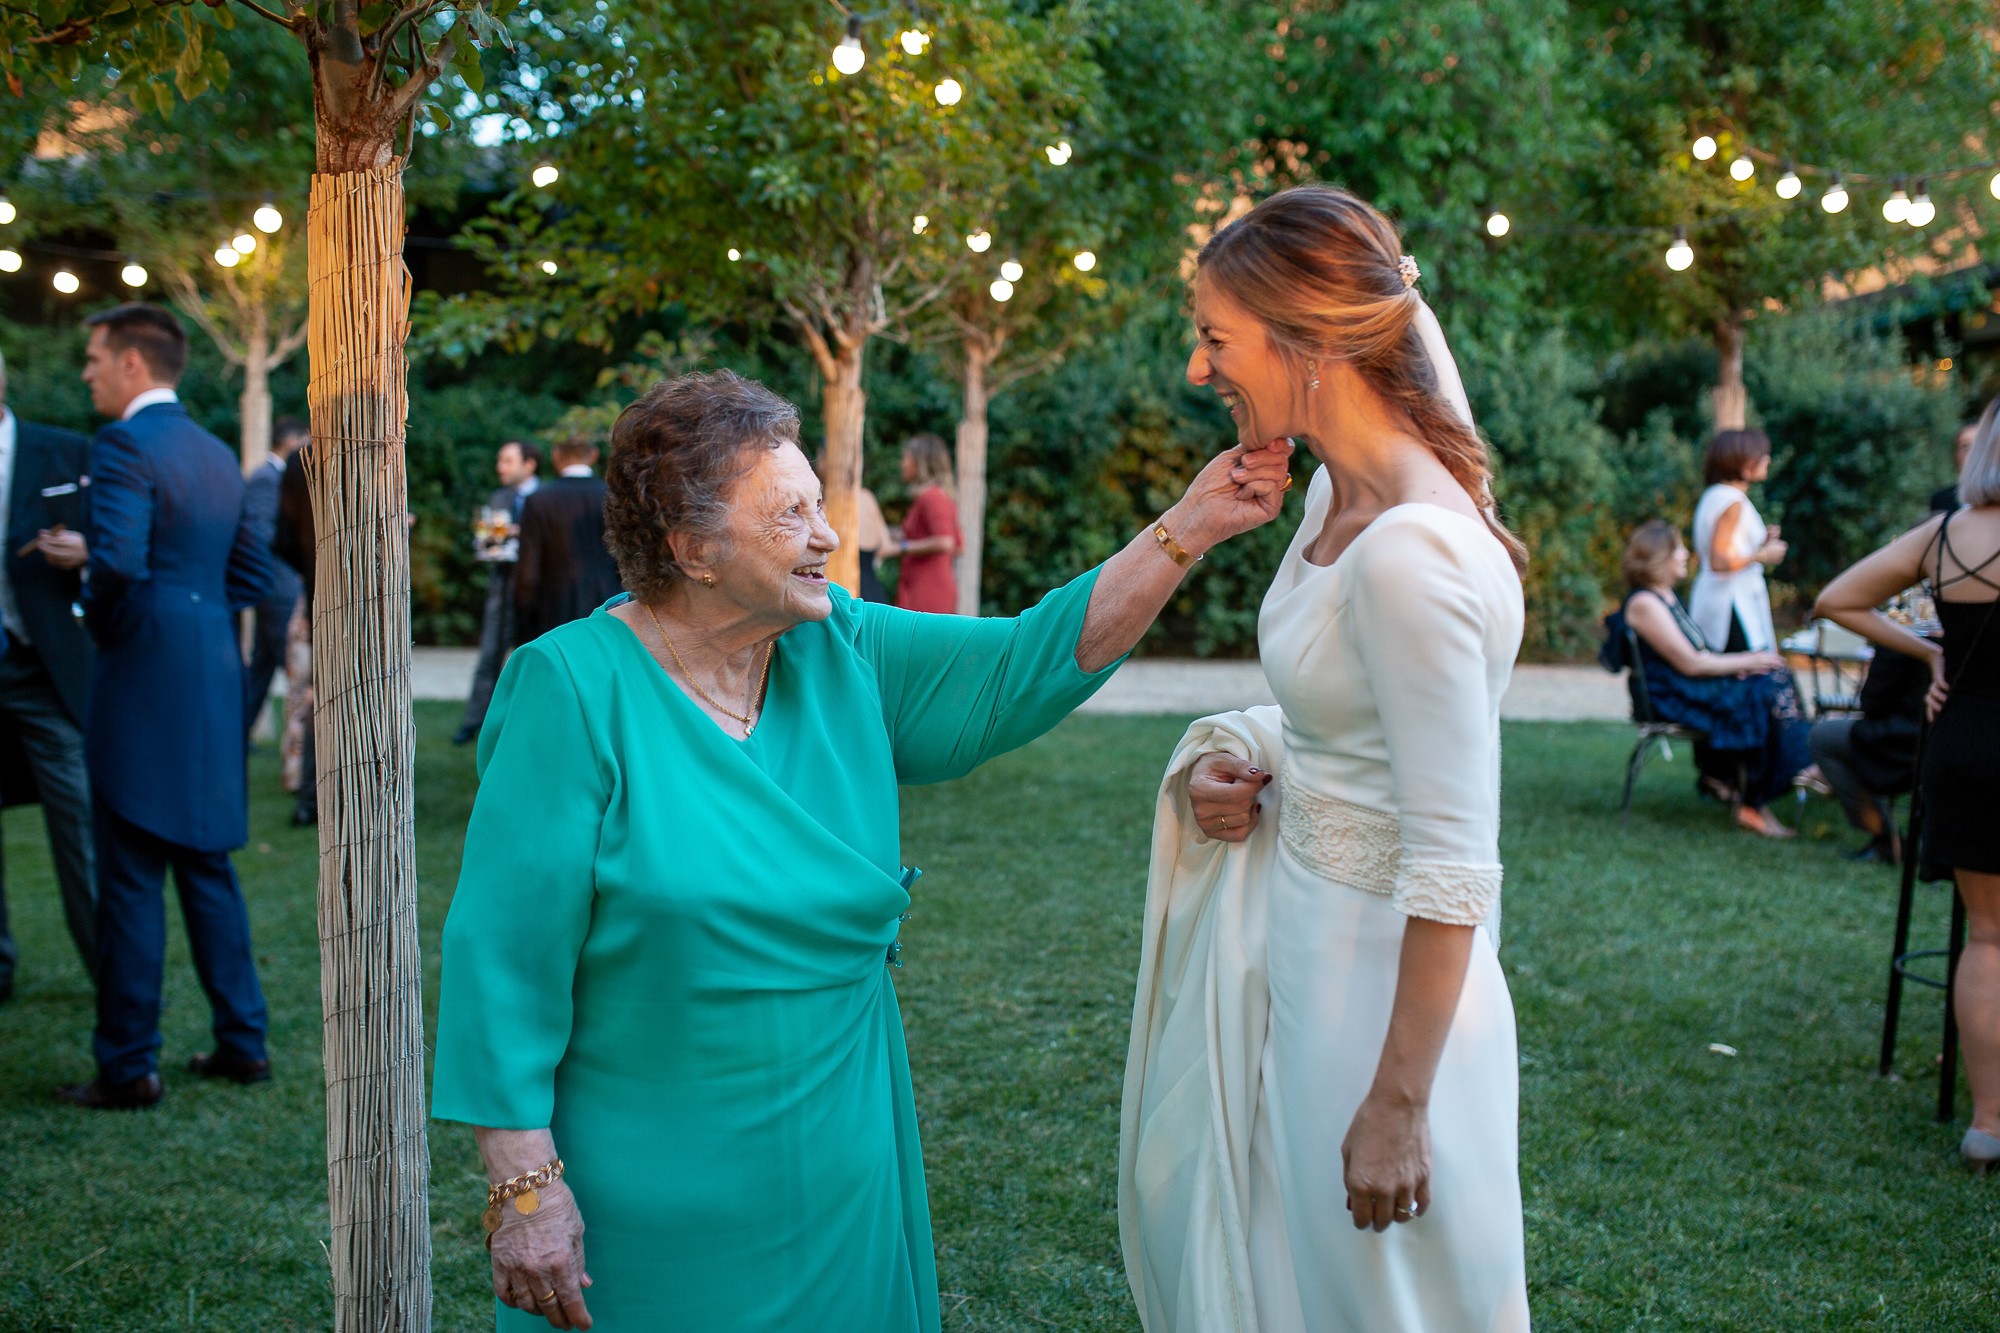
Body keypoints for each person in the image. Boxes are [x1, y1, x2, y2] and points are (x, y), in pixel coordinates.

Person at [429, 369, 1291, 1331]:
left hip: (843, 1152)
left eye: (818, 507)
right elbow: (503, 958)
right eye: (790, 514)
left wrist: (1191, 525)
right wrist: (523, 1185)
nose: (829, 536)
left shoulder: (842, 645)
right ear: (693, 548)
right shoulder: (571, 689)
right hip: (650, 1186)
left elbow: (1028, 662)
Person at [1120, 185, 1529, 1332]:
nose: (1199, 371)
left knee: (1381, 1305)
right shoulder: (1321, 496)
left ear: (1302, 345)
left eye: (1214, 339)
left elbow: (1454, 859)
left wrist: (1397, 1103)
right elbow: (1344, 722)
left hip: (1383, 1005)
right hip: (1299, 949)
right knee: (1291, 1280)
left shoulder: (1411, 552)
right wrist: (1245, 760)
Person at [59, 303, 273, 1111]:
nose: (86, 372)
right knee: (208, 863)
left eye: (93, 357)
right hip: (211, 670)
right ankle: (243, 1042)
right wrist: (200, 620)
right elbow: (252, 572)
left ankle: (128, 1066)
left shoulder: (121, 444)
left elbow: (114, 560)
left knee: (130, 875)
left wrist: (99, 622)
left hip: (144, 673)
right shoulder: (217, 450)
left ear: (132, 366)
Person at [1816, 397, 2000, 1174]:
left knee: (1988, 936)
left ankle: (1988, 1121)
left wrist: (1930, 654)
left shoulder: (1946, 536)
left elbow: (1837, 599)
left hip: (1964, 746)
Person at [1605, 520, 1814, 838]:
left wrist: (1743, 666)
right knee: (1767, 685)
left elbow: (1701, 653)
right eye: (1679, 548)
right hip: (1672, 696)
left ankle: (1759, 782)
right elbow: (1689, 663)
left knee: (1772, 675)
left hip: (1689, 687)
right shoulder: (1644, 603)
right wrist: (1748, 659)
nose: (1686, 554)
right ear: (1660, 557)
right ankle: (1767, 788)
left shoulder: (1667, 595)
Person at [0, 348, 98, 1005]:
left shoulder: (66, 452)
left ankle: (112, 973)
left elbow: (113, 542)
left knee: (81, 823)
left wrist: (84, 556)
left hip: (44, 666)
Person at [454, 438, 542, 745]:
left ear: (528, 464)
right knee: (489, 653)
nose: (499, 467)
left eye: (507, 460)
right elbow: (483, 541)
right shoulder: (499, 498)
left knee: (533, 655)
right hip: (501, 584)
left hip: (535, 591)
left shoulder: (545, 498)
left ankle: (527, 721)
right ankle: (475, 721)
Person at [1807, 649, 1928, 862]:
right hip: (1950, 738)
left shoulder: (1901, 640)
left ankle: (1884, 835)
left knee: (1821, 737)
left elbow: (1873, 701)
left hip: (1903, 739)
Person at [512, 434, 621, 645]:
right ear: (594, 455)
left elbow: (527, 571)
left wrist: (524, 614)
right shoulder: (613, 496)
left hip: (554, 605)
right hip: (610, 602)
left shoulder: (539, 500)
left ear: (556, 456)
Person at [242, 416, 309, 737]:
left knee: (261, 669)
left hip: (277, 588)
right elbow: (263, 535)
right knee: (295, 671)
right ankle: (302, 748)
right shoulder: (266, 479)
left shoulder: (275, 477)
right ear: (290, 442)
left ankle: (236, 735)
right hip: (277, 590)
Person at [1689, 429, 1785, 653]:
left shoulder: (1714, 494)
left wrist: (1760, 542)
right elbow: (1719, 562)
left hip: (1715, 597)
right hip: (1731, 605)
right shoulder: (1732, 502)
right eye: (1762, 456)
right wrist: (1763, 555)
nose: (1767, 460)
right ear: (1744, 464)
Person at [273, 435, 317, 825]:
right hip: (355, 602)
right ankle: (313, 795)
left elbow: (282, 540)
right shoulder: (375, 451)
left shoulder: (298, 460)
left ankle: (301, 785)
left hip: (312, 595)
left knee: (304, 693)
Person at [877, 433, 961, 614]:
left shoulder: (933, 497)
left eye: (906, 457)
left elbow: (946, 542)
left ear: (921, 462)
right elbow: (958, 544)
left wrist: (901, 547)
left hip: (927, 590)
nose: (903, 464)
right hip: (926, 585)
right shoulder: (936, 496)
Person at [1932, 418, 1980, 513]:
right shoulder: (1941, 500)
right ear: (1956, 455)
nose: (1973, 454)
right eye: (1966, 447)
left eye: (1979, 446)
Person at [855, 481, 890, 603]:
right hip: (873, 592)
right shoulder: (867, 497)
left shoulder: (828, 502)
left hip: (845, 595)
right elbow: (886, 547)